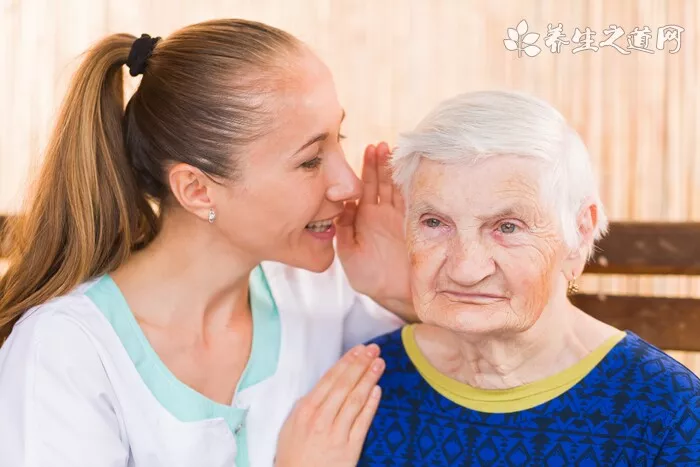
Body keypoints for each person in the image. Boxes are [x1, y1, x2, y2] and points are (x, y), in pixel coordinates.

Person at [0, 19, 415, 467]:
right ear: (197, 190)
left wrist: (400, 292)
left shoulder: (328, 293)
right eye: (311, 161)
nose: (348, 184)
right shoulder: (66, 352)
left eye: (340, 139)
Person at [358, 91, 700, 465]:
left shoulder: (669, 412)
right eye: (435, 222)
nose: (465, 269)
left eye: (507, 226)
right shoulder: (368, 377)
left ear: (580, 233)